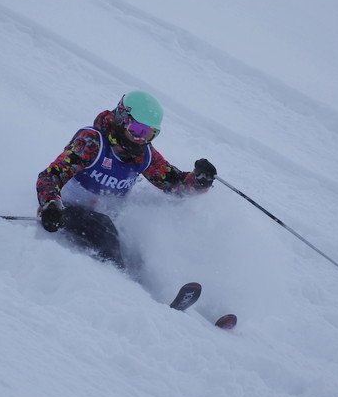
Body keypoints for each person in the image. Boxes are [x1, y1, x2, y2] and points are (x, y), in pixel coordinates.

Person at [36, 90, 217, 267]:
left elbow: (173, 182)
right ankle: (121, 286)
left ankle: (153, 283)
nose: (140, 139)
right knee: (105, 231)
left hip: (110, 214)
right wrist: (51, 204)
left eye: (149, 134)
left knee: (145, 240)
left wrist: (199, 181)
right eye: (137, 130)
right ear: (122, 119)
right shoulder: (92, 142)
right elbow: (51, 176)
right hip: (67, 209)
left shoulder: (144, 155)